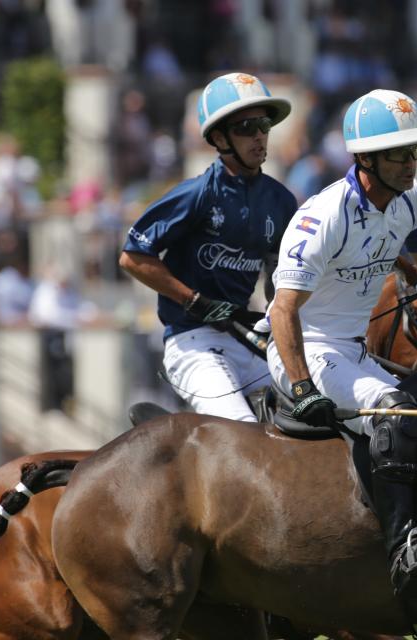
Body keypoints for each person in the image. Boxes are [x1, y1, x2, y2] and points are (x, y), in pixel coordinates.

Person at [267, 89, 417, 597]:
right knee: (395, 411)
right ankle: (404, 546)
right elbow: (283, 310)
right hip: (308, 349)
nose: (412, 162)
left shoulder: (410, 200)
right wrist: (302, 386)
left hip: (356, 351)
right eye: (399, 153)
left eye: (416, 151)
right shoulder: (324, 215)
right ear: (365, 159)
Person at [120, 72, 296, 420]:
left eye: (263, 125)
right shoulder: (197, 194)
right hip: (192, 343)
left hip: (245, 340)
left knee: (313, 415)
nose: (259, 136)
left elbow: (282, 273)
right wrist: (194, 301)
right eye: (247, 127)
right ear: (219, 137)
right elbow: (133, 257)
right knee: (243, 432)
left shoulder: (281, 200)